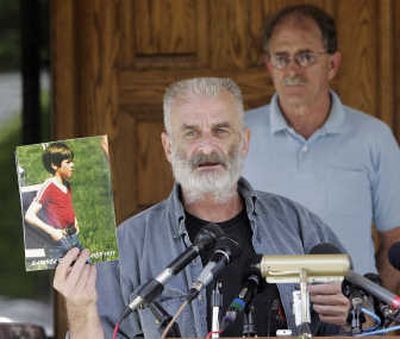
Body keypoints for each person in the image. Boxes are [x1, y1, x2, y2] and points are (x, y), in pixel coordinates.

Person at [53, 78, 349, 338]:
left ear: (244, 142)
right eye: (191, 133)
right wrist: (80, 307)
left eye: (220, 130)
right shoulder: (129, 245)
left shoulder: (299, 226)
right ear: (168, 147)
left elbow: (359, 322)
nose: (207, 147)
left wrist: (347, 315)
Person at [243, 4, 400, 291]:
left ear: (332, 64)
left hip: (349, 316)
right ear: (269, 65)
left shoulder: (374, 137)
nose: (292, 69)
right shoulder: (239, 134)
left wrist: (373, 308)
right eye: (281, 57)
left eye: (305, 56)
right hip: (262, 315)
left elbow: (396, 238)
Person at [25, 142, 83, 260]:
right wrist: (52, 231)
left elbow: (67, 207)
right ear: (54, 166)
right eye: (68, 162)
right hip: (59, 243)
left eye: (72, 161)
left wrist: (75, 221)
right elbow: (29, 215)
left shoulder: (67, 184)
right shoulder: (49, 186)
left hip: (74, 237)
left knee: (84, 266)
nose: (73, 165)